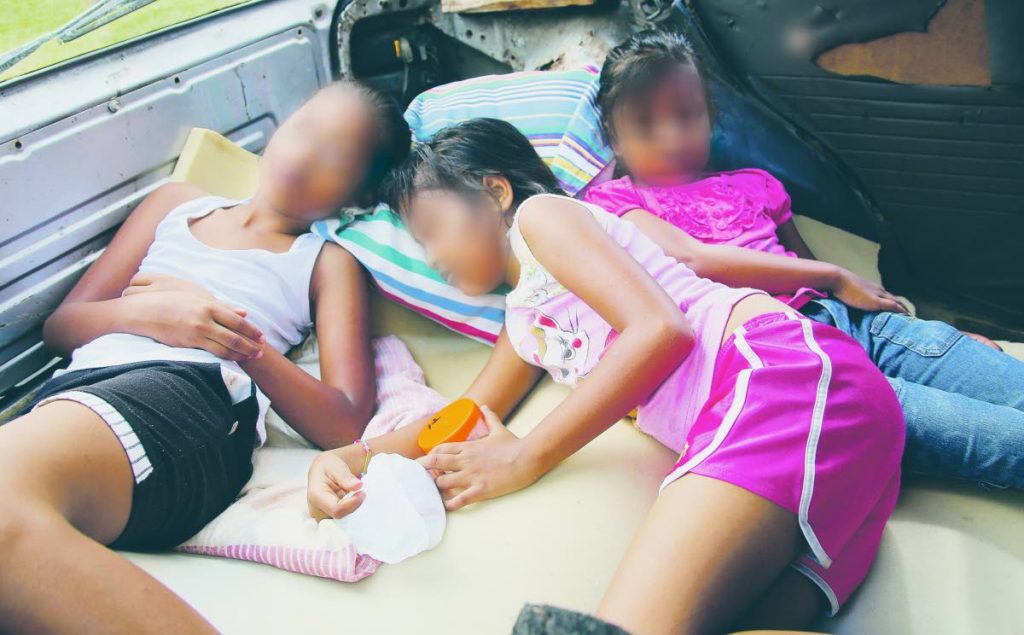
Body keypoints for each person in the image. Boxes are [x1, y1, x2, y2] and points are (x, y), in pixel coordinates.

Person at [307, 117, 905, 632]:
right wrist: (346, 457)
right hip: (830, 433)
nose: (434, 259)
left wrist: (527, 456)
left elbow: (661, 330)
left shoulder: (543, 219)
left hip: (778, 377)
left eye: (431, 232)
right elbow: (462, 412)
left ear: (493, 191)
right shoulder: (526, 322)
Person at [0, 80, 410, 633]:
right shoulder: (175, 205)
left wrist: (232, 337)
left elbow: (343, 420)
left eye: (336, 156)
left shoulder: (324, 261)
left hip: (193, 402)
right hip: (80, 391)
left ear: (359, 196)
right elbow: (61, 327)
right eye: (306, 129)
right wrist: (152, 314)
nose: (306, 155)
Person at [583, 29, 1024, 490]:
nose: (672, 135)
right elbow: (691, 258)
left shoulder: (757, 183)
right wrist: (834, 274)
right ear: (614, 138)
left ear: (710, 115)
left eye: (687, 114)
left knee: (1001, 380)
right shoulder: (614, 202)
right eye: (646, 123)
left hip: (859, 326)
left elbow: (805, 267)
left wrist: (921, 325)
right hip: (788, 359)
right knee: (1004, 441)